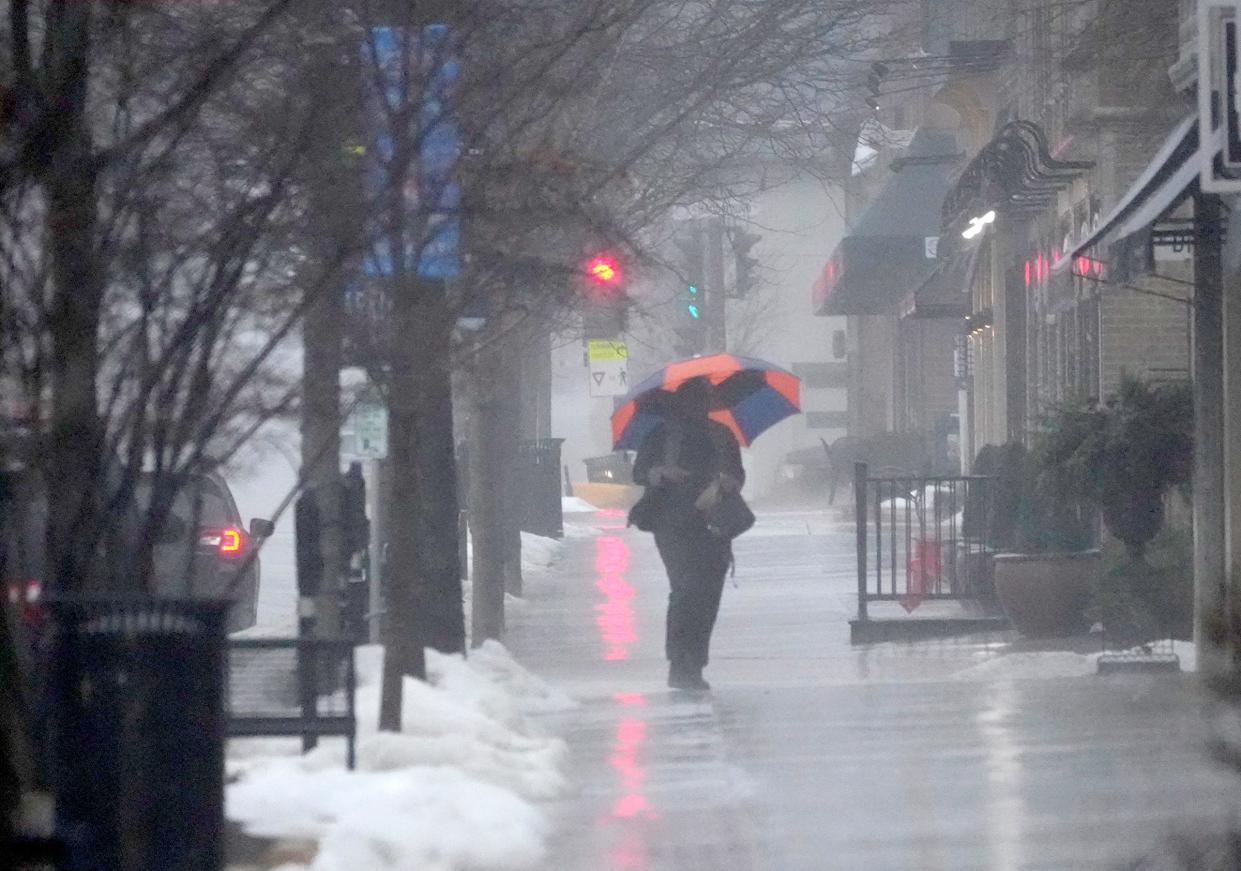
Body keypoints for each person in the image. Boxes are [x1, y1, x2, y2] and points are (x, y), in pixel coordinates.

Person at [631, 377, 744, 691]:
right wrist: (662, 473)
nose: (702, 405)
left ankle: (694, 662)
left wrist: (725, 483)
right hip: (672, 524)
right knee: (686, 588)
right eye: (696, 398)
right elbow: (640, 471)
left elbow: (737, 475)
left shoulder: (722, 436)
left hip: (714, 522)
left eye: (705, 399)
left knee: (708, 594)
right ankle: (680, 662)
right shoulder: (662, 435)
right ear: (680, 401)